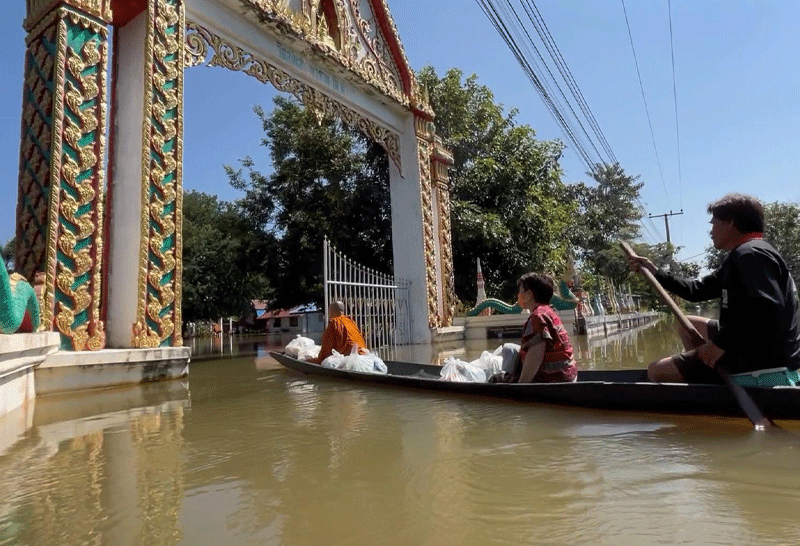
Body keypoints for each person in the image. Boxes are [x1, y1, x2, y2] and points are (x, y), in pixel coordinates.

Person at [628, 193, 800, 386]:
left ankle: (710, 377)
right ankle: (703, 374)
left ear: (730, 223)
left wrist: (720, 344)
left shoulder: (749, 255)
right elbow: (695, 290)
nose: (711, 232)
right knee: (688, 324)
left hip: (762, 364)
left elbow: (765, 309)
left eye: (713, 224)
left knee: (656, 371)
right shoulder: (746, 254)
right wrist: (655, 272)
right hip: (756, 346)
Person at [492, 273, 578, 383]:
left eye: (520, 291)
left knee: (496, 378)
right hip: (568, 376)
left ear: (528, 294)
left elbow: (536, 356)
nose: (519, 295)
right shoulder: (549, 312)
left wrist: (520, 386)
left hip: (553, 380)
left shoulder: (538, 317)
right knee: (510, 349)